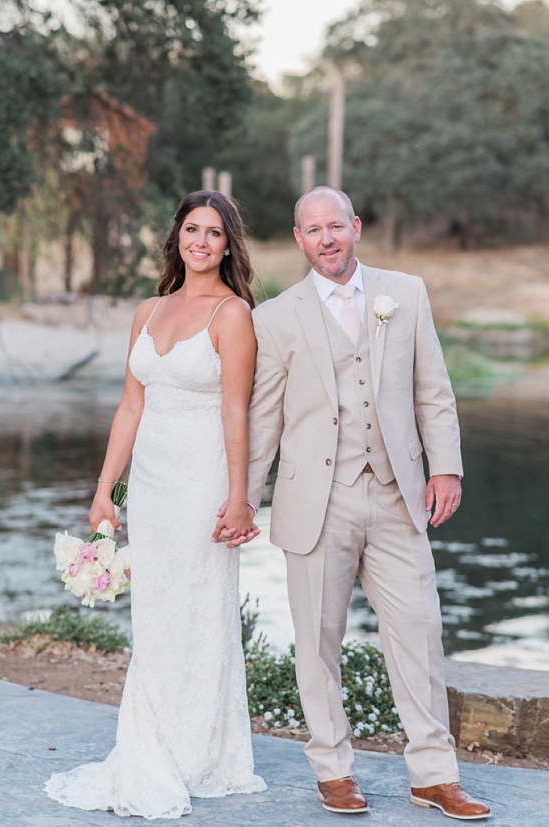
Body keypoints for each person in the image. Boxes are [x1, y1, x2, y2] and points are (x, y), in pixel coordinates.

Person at [218, 186, 491, 820]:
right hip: (316, 502)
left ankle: (434, 775)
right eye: (312, 230)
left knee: (420, 634)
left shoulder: (408, 293)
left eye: (335, 226)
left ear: (356, 228)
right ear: (298, 239)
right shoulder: (276, 317)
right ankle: (334, 771)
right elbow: (263, 417)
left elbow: (435, 392)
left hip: (399, 497)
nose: (326, 239)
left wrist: (445, 466)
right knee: (318, 642)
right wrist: (243, 500)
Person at [45, 190, 267, 819]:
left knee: (199, 612)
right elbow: (130, 407)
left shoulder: (233, 314)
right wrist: (104, 492)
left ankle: (198, 755)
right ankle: (156, 742)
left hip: (203, 483)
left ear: (228, 244)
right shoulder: (148, 310)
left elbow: (235, 411)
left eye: (215, 232)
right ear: (176, 238)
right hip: (150, 485)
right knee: (156, 614)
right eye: (192, 229)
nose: (202, 241)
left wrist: (238, 498)